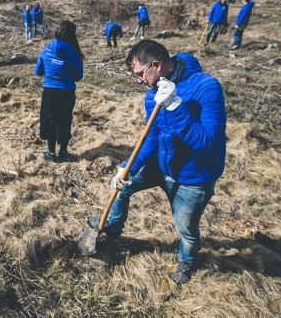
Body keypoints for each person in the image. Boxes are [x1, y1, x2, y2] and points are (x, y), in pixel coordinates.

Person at [87, 39, 226, 285]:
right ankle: (113, 229)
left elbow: (207, 142)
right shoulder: (153, 96)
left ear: (157, 65)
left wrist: (174, 106)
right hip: (162, 165)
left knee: (187, 229)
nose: (139, 80)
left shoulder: (207, 87)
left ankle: (187, 261)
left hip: (193, 177)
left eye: (141, 74)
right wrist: (126, 167)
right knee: (121, 187)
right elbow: (151, 138)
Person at [35, 21, 84, 162]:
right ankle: (63, 151)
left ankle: (51, 153)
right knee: (64, 120)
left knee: (50, 120)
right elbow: (78, 77)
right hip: (66, 92)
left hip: (49, 91)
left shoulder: (46, 48)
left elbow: (38, 71)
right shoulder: (74, 53)